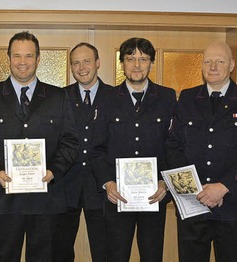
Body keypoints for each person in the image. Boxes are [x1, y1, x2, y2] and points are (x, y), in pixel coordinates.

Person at [0, 31, 79, 262]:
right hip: (2, 198)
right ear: (8, 58)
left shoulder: (59, 96)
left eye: (29, 56)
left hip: (46, 199)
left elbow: (70, 141)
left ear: (38, 59)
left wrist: (54, 171)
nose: (22, 62)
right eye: (17, 56)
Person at [166, 41, 237, 262]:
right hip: (193, 204)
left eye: (220, 61)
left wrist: (223, 187)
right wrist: (194, 188)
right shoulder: (187, 98)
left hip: (234, 206)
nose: (213, 67)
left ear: (231, 65)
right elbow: (173, 146)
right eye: (208, 61)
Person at [91, 37, 174, 262]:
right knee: (115, 256)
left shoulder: (167, 97)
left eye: (143, 59)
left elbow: (173, 146)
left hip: (154, 196)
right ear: (122, 63)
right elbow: (96, 148)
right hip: (118, 197)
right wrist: (108, 183)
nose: (136, 65)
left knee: (152, 255)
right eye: (130, 59)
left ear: (151, 63)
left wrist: (165, 181)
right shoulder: (106, 98)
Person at [53, 42, 110, 262]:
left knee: (104, 250)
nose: (82, 67)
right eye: (76, 63)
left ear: (97, 63)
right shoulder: (60, 97)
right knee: (60, 250)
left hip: (102, 186)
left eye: (87, 61)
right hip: (66, 185)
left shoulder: (115, 96)